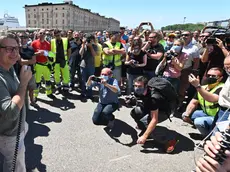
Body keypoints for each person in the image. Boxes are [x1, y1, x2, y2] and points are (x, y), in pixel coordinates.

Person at [0, 32, 32, 172]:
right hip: (9, 134)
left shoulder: (9, 67)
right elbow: (10, 112)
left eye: (16, 48)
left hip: (17, 127)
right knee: (16, 166)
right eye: (9, 49)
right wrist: (24, 83)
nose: (14, 53)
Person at [130, 76, 178, 153]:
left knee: (149, 123)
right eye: (135, 86)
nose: (137, 88)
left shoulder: (154, 98)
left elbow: (154, 120)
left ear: (146, 86)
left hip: (164, 110)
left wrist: (144, 137)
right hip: (151, 106)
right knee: (135, 112)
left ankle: (170, 139)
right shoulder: (139, 91)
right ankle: (147, 131)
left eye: (139, 86)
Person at [182, 67, 224, 136]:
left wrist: (197, 86)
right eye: (208, 75)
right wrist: (187, 115)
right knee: (186, 114)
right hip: (206, 113)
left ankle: (208, 137)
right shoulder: (203, 87)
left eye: (213, 76)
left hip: (217, 117)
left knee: (198, 121)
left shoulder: (222, 88)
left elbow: (212, 98)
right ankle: (207, 129)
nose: (210, 77)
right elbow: (193, 102)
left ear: (220, 78)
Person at [50, 29, 71, 94]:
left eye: (58, 35)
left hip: (64, 60)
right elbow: (50, 51)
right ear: (54, 35)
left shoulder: (65, 40)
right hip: (56, 61)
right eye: (56, 35)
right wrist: (51, 60)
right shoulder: (52, 41)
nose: (57, 37)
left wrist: (68, 59)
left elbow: (69, 50)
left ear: (60, 34)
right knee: (56, 75)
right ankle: (58, 88)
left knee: (66, 75)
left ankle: (66, 88)